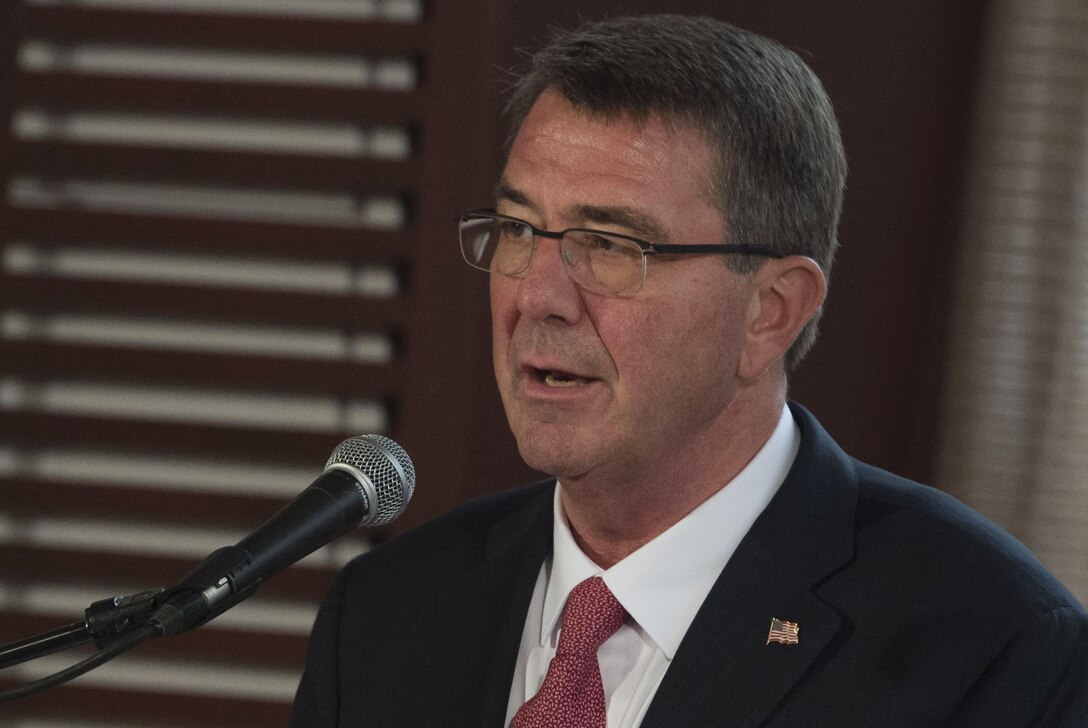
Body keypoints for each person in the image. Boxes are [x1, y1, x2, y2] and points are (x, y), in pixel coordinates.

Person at [290, 14, 1088, 727]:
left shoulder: (990, 648)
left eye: (610, 244)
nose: (536, 294)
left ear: (771, 310)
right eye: (518, 228)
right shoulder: (384, 614)